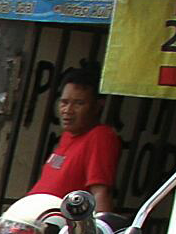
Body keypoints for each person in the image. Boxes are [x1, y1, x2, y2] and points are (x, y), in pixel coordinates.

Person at [30, 67, 122, 214]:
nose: (68, 110)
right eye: (64, 102)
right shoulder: (68, 136)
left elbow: (100, 193)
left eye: (78, 103)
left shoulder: (100, 136)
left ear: (98, 106)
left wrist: (100, 231)